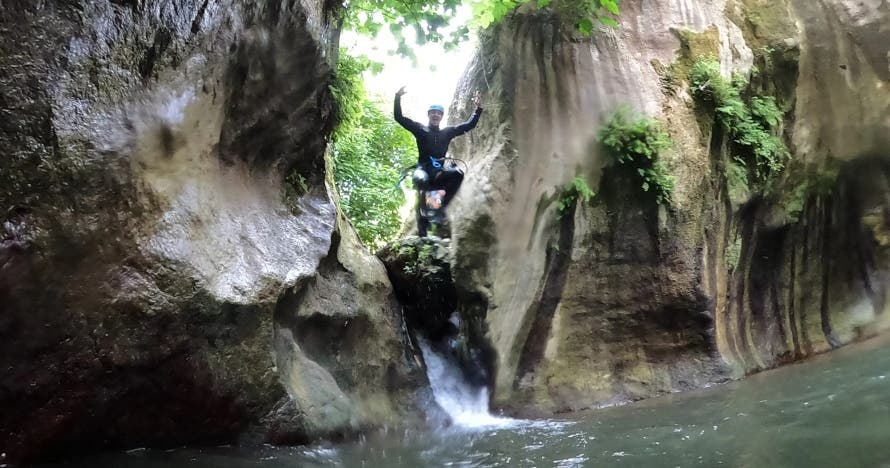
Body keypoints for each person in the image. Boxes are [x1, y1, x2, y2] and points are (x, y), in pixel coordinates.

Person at [394, 86, 483, 237]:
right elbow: (399, 118)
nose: (435, 115)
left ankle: (437, 209)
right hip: (423, 169)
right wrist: (397, 97)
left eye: (438, 113)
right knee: (422, 180)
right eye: (433, 113)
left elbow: (468, 125)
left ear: (441, 116)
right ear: (429, 115)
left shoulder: (447, 133)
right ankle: (423, 222)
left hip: (438, 173)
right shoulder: (420, 129)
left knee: (457, 174)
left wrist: (478, 109)